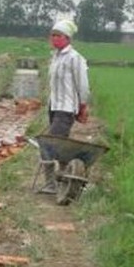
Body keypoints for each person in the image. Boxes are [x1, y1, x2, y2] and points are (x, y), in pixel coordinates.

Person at [41, 19, 91, 194]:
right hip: (54, 106)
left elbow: (82, 85)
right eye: (52, 35)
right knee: (59, 145)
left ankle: (50, 183)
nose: (54, 38)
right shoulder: (55, 57)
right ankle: (62, 178)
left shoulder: (74, 58)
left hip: (66, 108)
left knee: (47, 144)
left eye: (58, 36)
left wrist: (83, 106)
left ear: (67, 38)